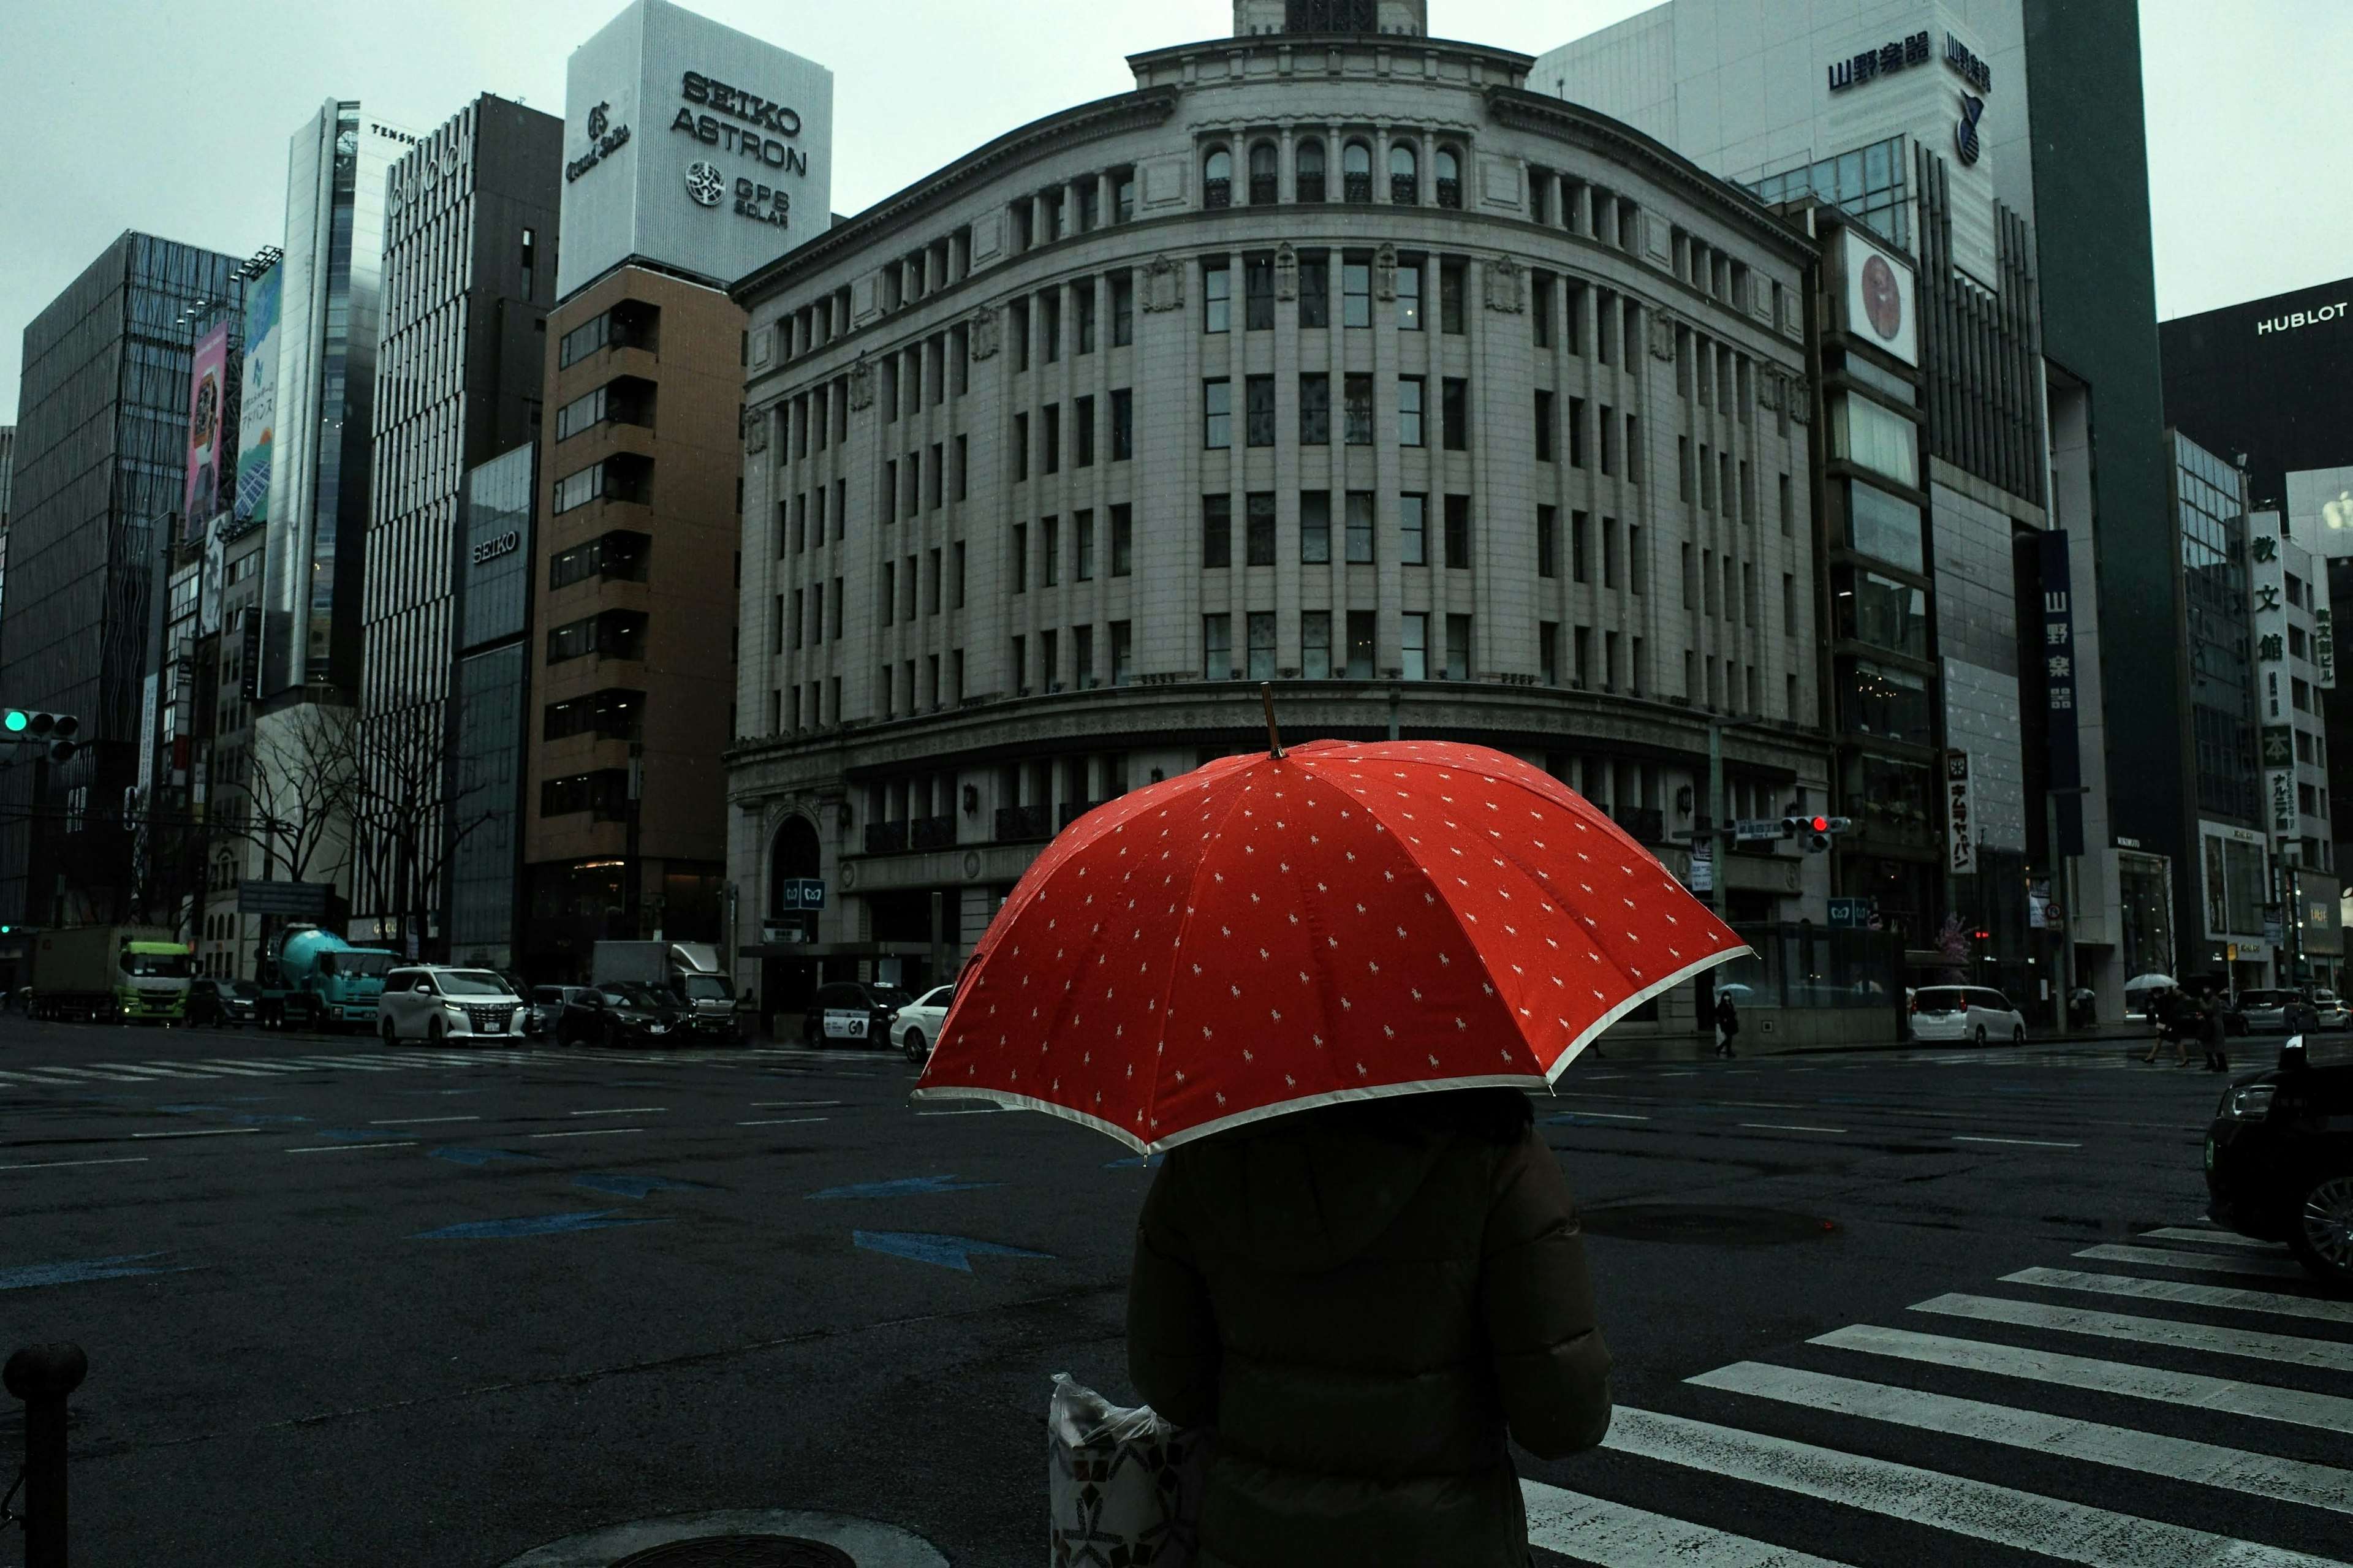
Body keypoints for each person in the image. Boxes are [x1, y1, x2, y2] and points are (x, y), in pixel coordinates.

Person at [1127, 1088, 1611, 1567]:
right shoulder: (1495, 1149)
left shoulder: (1205, 1155)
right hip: (1443, 1540)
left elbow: (1172, 1384)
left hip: (1253, 1537)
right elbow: (1563, 1416)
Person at [2143, 987, 2188, 1066]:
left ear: (2157, 993)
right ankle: (2151, 1057)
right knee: (2159, 1039)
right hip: (2165, 1024)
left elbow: (2163, 1012)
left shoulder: (2162, 1000)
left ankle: (2185, 1060)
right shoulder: (2165, 998)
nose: (2154, 996)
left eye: (2154, 994)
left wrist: (2153, 1007)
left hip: (2168, 1024)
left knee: (2176, 1040)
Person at [2199, 993, 2230, 1074]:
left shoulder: (2214, 999)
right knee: (2207, 1044)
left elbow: (2209, 1010)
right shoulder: (2210, 999)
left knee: (2218, 1046)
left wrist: (2202, 1004)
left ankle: (2222, 1066)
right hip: (2210, 1023)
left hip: (2215, 1025)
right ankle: (2212, 1063)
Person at [1714, 991, 1741, 1059]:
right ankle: (1727, 1051)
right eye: (1726, 996)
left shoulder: (1731, 1004)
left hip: (1731, 1023)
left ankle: (1722, 1049)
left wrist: (1734, 1011)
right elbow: (1718, 1013)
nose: (1727, 997)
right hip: (1725, 1024)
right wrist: (1723, 1018)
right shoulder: (1722, 1005)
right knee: (1729, 1037)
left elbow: (1732, 1014)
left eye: (1728, 996)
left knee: (1729, 1038)